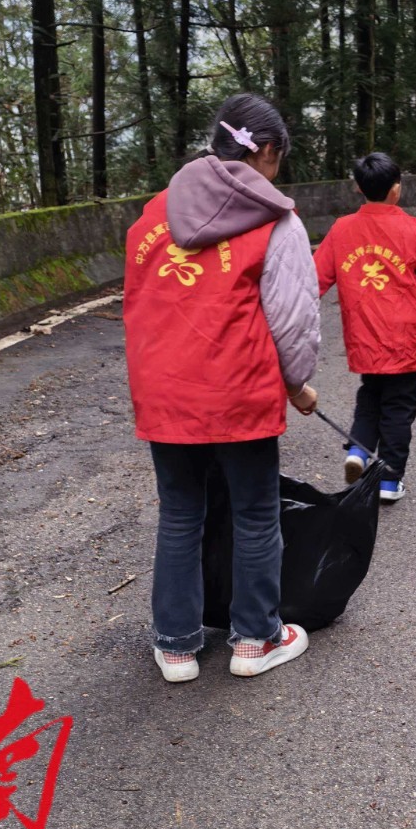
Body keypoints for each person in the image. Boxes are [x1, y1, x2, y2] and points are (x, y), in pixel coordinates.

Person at [123, 93, 321, 684]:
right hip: (239, 390)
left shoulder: (151, 216)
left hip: (166, 391)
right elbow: (292, 319)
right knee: (255, 514)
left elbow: (139, 307)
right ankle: (256, 639)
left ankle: (176, 647)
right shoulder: (275, 219)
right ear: (266, 150)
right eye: (279, 158)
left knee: (180, 514)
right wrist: (298, 385)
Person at [315, 153, 416, 505]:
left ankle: (358, 449)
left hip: (364, 333)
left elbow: (313, 279)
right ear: (396, 189)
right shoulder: (411, 229)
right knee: (399, 408)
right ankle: (388, 480)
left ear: (358, 187)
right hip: (406, 338)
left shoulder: (341, 229)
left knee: (370, 396)